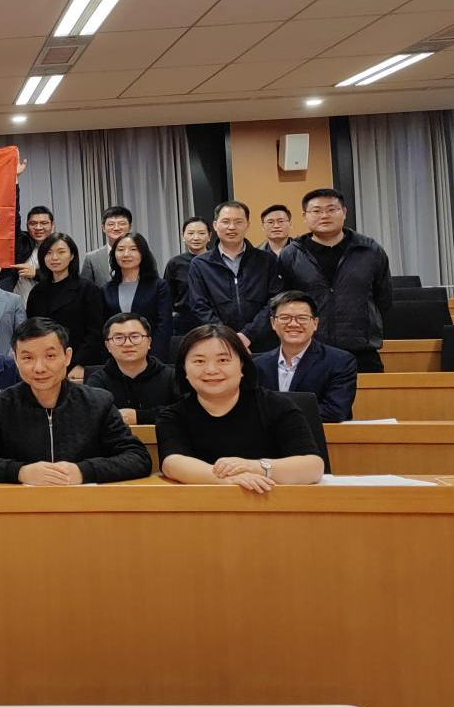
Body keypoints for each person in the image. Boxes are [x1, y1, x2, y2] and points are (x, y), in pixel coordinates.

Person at [0, 318, 152, 485]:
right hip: (21, 508)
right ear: (15, 359)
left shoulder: (97, 402)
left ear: (67, 356)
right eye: (28, 358)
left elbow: (138, 458)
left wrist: (83, 471)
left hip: (83, 507)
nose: (39, 368)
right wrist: (19, 472)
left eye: (50, 356)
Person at [156, 325, 325, 492]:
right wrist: (226, 479)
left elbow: (313, 467)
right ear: (184, 369)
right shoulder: (173, 416)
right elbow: (172, 463)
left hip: (272, 501)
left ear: (242, 365)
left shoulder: (277, 406)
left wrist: (254, 467)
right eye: (199, 361)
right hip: (203, 505)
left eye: (223, 360)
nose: (211, 370)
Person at [278, 187, 393, 373]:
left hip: (361, 350)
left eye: (331, 209)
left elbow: (384, 297)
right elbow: (283, 300)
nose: (324, 215)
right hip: (308, 350)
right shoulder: (291, 255)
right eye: (316, 211)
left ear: (344, 212)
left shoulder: (370, 250)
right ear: (305, 216)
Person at [187, 201, 282, 352]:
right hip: (218, 343)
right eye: (226, 222)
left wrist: (247, 335)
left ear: (247, 225)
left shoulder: (267, 260)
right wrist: (228, 338)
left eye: (238, 222)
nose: (232, 227)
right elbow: (199, 306)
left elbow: (275, 302)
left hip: (263, 343)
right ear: (215, 225)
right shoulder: (200, 265)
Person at [254, 291, 358, 423]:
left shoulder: (340, 361)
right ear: (273, 323)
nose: (293, 324)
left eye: (302, 318)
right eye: (285, 318)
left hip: (320, 434)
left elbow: (334, 411)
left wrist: (279, 415)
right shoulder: (258, 365)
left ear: (315, 323)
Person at [25, 232, 104, 380]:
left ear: (72, 255)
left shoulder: (87, 289)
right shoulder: (37, 292)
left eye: (61, 252)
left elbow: (95, 332)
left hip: (78, 366)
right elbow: (32, 330)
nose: (54, 258)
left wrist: (79, 364)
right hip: (45, 364)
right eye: (49, 253)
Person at [85, 313, 179, 426]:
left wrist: (139, 416)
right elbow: (91, 418)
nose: (128, 344)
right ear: (108, 346)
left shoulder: (172, 377)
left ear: (149, 342)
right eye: (119, 338)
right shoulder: (97, 381)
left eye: (135, 337)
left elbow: (185, 412)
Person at [101, 232, 173, 362]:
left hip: (152, 357)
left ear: (142, 253)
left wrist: (154, 358)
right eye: (120, 250)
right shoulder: (106, 289)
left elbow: (164, 326)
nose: (126, 254)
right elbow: (103, 327)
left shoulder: (158, 286)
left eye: (133, 249)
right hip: (116, 358)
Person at [81, 206, 156, 287]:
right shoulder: (91, 258)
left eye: (122, 224)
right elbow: (85, 289)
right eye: (111, 224)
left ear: (130, 227)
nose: (116, 228)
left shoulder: (142, 253)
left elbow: (153, 282)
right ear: (103, 228)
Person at [164, 217, 212, 335]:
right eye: (190, 233)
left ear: (209, 236)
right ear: (183, 236)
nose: (196, 237)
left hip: (213, 322)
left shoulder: (217, 260)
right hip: (184, 324)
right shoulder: (175, 263)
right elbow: (167, 297)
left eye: (201, 233)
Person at [8, 205, 55, 299]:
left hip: (51, 304)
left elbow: (66, 277)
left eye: (44, 223)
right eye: (33, 223)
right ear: (27, 225)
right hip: (20, 305)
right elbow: (13, 217)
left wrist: (36, 273)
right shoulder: (21, 243)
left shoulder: (60, 246)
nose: (38, 227)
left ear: (52, 224)